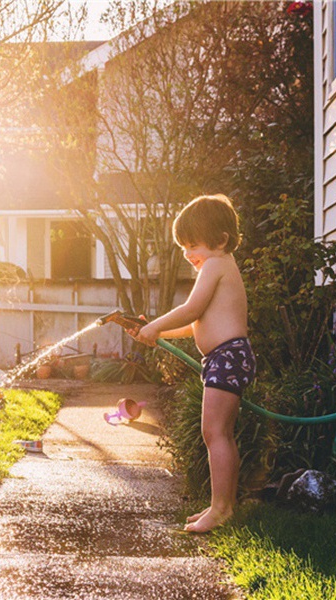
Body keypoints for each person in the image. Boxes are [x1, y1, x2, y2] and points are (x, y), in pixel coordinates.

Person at [130, 194, 255, 533]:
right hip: (224, 357)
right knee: (219, 433)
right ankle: (221, 506)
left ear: (220, 240)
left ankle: (221, 508)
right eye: (183, 247)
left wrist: (156, 325)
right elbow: (194, 324)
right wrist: (157, 332)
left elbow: (191, 309)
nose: (188, 254)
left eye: (192, 245)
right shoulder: (220, 265)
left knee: (215, 433)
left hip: (227, 357)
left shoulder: (217, 264)